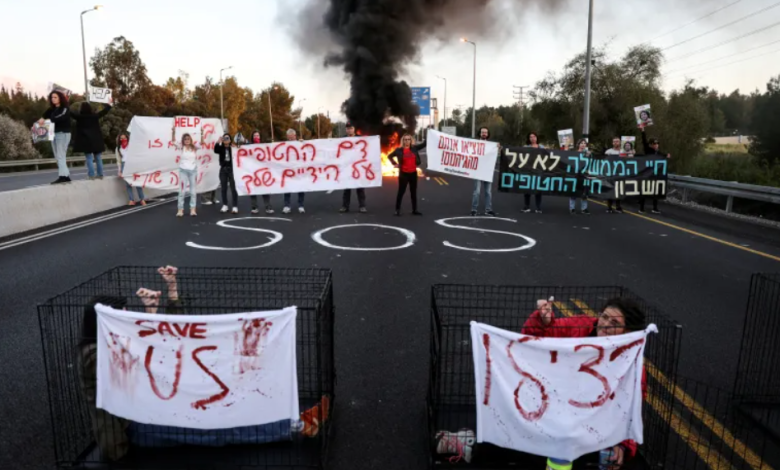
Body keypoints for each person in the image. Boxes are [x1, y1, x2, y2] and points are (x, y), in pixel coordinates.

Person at [76, 266, 330, 461]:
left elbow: (167, 344)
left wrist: (164, 301)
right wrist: (149, 318)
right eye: (120, 318)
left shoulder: (113, 345)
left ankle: (288, 420)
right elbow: (146, 360)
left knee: (214, 414)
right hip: (134, 427)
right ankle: (295, 426)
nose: (125, 320)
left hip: (150, 410)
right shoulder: (93, 356)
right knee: (212, 430)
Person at [522, 297, 648, 470]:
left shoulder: (631, 360)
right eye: (604, 317)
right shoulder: (580, 326)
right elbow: (536, 338)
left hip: (597, 419)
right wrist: (543, 321)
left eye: (614, 323)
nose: (605, 325)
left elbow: (631, 404)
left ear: (627, 331)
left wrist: (623, 444)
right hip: (561, 406)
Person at [71, 101, 112, 180]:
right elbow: (105, 111)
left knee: (89, 158)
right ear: (90, 108)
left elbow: (70, 113)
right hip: (96, 140)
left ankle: (91, 175)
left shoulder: (79, 117)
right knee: (98, 158)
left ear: (81, 109)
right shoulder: (95, 116)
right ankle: (100, 174)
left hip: (86, 141)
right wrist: (107, 104)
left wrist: (63, 105)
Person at [38, 91, 72, 184]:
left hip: (63, 133)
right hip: (54, 133)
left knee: (60, 155)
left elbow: (61, 117)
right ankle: (66, 175)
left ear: (60, 98)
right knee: (58, 156)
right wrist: (42, 119)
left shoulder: (65, 108)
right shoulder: (51, 109)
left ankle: (62, 176)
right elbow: (44, 115)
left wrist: (50, 119)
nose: (53, 99)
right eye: (52, 97)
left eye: (55, 97)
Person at [389, 133, 425, 216]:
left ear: (411, 140)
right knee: (401, 192)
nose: (407, 141)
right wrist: (395, 163)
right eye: (405, 139)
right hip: (403, 174)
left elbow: (424, 144)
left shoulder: (414, 148)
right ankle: (397, 210)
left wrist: (430, 133)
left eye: (408, 139)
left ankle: (414, 210)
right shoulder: (399, 150)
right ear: (403, 141)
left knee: (413, 192)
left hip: (413, 174)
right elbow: (389, 156)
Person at [171, 127, 203, 218]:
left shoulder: (194, 147)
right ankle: (180, 210)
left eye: (188, 139)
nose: (187, 140)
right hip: (183, 171)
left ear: (190, 140)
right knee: (182, 191)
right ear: (183, 140)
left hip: (193, 171)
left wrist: (202, 134)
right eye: (185, 139)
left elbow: (202, 143)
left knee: (193, 192)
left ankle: (193, 209)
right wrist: (173, 132)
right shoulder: (181, 147)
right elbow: (173, 141)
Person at [639, 127, 671, 215]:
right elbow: (644, 141)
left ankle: (655, 208)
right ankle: (641, 208)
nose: (656, 145)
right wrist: (643, 131)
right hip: (647, 174)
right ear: (651, 145)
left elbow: (663, 156)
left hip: (655, 175)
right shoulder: (648, 150)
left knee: (656, 191)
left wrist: (667, 155)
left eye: (657, 144)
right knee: (645, 191)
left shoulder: (658, 153)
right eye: (654, 144)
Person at [340, 122, 367, 213]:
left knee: (360, 188)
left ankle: (362, 206)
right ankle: (345, 206)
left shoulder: (360, 138)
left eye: (351, 128)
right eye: (348, 128)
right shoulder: (342, 139)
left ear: (354, 129)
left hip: (358, 167)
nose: (349, 130)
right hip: (347, 167)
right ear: (346, 130)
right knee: (347, 188)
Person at [470, 127, 497, 216]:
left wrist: (498, 148)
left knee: (488, 192)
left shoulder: (491, 145)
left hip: (487, 171)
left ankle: (488, 209)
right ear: (480, 133)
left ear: (488, 134)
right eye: (482, 132)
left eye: (486, 132)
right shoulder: (475, 144)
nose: (484, 134)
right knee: (477, 191)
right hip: (477, 170)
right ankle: (474, 209)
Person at [247, 131, 274, 215]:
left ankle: (268, 207)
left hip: (262, 171)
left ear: (260, 136)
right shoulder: (248, 146)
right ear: (252, 137)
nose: (256, 137)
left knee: (264, 190)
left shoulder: (264, 146)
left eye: (258, 135)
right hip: (252, 171)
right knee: (253, 190)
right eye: (255, 135)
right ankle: (254, 207)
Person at [116, 134, 146, 206]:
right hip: (124, 165)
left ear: (127, 138)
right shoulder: (118, 148)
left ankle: (142, 199)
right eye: (121, 138)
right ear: (119, 140)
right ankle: (131, 200)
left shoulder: (131, 145)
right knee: (128, 184)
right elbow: (118, 160)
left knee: (137, 182)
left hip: (132, 164)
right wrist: (119, 171)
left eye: (124, 138)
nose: (123, 140)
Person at [282, 129, 306, 214]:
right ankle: (287, 206)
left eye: (291, 138)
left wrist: (303, 143)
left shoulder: (300, 144)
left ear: (295, 136)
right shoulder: (284, 145)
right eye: (289, 138)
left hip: (299, 170)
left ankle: (301, 205)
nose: (290, 140)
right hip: (288, 170)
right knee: (287, 187)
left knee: (301, 187)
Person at [215, 133, 239, 214]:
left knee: (233, 188)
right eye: (224, 138)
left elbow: (239, 151)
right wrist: (218, 141)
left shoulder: (232, 148)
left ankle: (235, 206)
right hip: (223, 170)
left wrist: (235, 147)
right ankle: (225, 205)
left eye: (227, 138)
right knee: (223, 188)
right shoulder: (221, 148)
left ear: (230, 139)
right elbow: (215, 150)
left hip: (232, 170)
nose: (226, 140)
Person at [523, 132, 544, 213]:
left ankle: (538, 207)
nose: (532, 138)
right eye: (530, 137)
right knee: (527, 189)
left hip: (538, 171)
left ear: (537, 137)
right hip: (528, 171)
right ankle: (526, 206)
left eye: (534, 136)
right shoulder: (526, 147)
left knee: (538, 189)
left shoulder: (541, 147)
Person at [570, 138, 590, 215]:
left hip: (584, 175)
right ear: (578, 144)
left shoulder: (588, 154)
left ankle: (584, 208)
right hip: (575, 175)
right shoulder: (574, 153)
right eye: (581, 143)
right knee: (573, 192)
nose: (583, 145)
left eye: (584, 143)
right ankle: (572, 208)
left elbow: (590, 164)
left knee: (585, 192)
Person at [605, 137, 623, 214]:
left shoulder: (623, 151)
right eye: (614, 141)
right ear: (612, 143)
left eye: (617, 141)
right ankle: (609, 207)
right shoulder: (608, 151)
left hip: (620, 174)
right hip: (611, 174)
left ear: (620, 142)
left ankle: (618, 207)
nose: (616, 143)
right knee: (610, 190)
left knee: (619, 191)